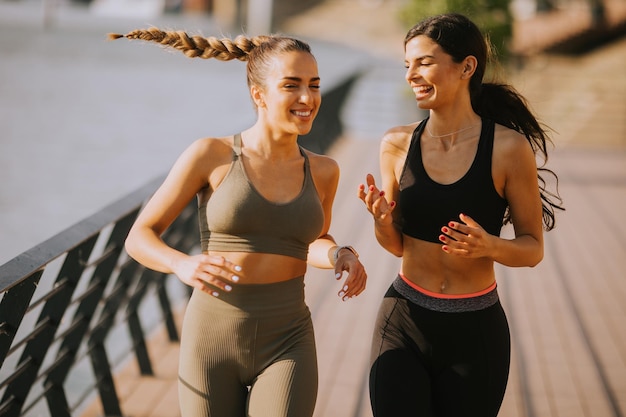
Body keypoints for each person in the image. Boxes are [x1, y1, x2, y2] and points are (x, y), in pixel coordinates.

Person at [109, 28, 367, 417]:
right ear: (259, 94)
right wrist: (183, 263)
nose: (308, 98)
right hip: (212, 337)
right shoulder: (210, 155)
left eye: (314, 85)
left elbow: (308, 240)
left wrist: (338, 254)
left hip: (288, 338)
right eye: (291, 85)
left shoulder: (325, 170)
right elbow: (140, 236)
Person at [358, 13, 563, 417]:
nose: (411, 74)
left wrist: (490, 245)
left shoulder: (508, 148)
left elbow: (533, 248)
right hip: (403, 320)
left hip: (476, 332)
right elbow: (396, 244)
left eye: (425, 62)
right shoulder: (397, 143)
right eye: (407, 65)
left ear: (467, 66)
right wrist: (382, 221)